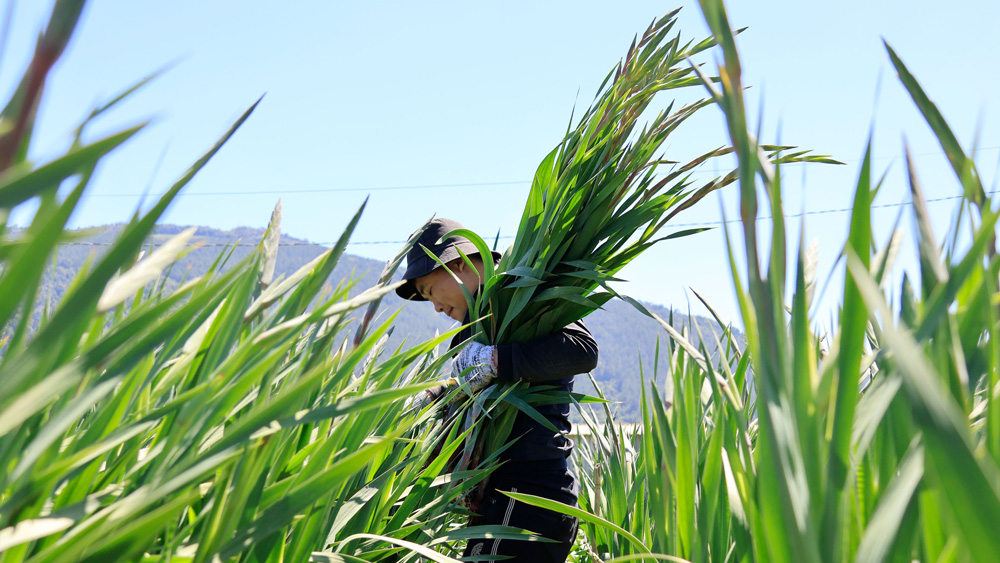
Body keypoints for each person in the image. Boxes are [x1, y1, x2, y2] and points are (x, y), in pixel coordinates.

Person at [396, 218, 599, 563]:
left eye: (430, 291)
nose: (436, 307)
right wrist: (436, 400)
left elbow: (582, 350)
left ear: (457, 264)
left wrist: (496, 360)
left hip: (530, 495)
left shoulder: (526, 298)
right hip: (503, 499)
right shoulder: (469, 334)